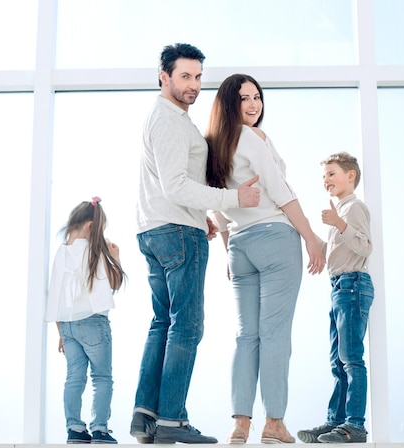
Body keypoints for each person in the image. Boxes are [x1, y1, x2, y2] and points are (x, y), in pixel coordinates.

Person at [131, 44, 261, 445]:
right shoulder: (169, 120)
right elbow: (177, 185)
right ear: (163, 75)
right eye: (184, 76)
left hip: (157, 228)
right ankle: (172, 420)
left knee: (163, 323)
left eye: (198, 77)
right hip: (175, 232)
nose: (193, 85)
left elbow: (170, 183)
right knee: (186, 327)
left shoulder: (167, 118)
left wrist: (201, 216)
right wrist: (233, 200)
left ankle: (146, 417)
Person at [204, 73, 326, 444]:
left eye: (257, 97)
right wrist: (311, 238)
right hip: (275, 239)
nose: (254, 104)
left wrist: (229, 249)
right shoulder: (253, 138)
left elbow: (218, 205)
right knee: (274, 335)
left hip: (241, 246)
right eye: (244, 98)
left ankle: (240, 424)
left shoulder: (214, 146)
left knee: (246, 337)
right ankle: (273, 423)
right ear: (230, 104)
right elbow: (280, 189)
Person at [297, 152, 374, 444]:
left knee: (351, 358)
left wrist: (339, 224)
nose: (326, 180)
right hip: (340, 287)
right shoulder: (339, 212)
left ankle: (354, 425)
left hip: (353, 284)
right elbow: (333, 251)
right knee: (337, 360)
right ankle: (336, 421)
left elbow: (365, 247)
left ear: (350, 175)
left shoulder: (353, 208)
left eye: (331, 174)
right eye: (324, 176)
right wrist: (304, 231)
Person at [45, 197, 126, 444]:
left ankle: (75, 429)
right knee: (101, 377)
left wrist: (61, 332)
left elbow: (55, 295)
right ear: (91, 227)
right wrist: (116, 257)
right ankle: (100, 429)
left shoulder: (61, 253)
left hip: (67, 326)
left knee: (74, 377)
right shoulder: (95, 251)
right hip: (93, 324)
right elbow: (114, 283)